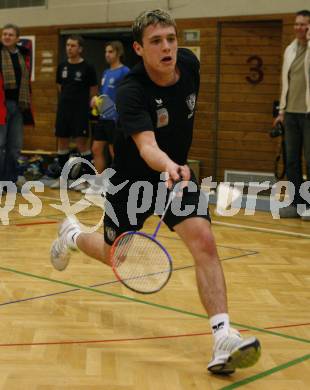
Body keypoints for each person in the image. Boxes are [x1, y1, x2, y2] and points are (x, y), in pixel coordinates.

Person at [50, 9, 261, 375]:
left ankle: (223, 334)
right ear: (138, 48)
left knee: (204, 241)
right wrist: (167, 164)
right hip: (131, 181)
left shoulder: (189, 64)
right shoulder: (132, 90)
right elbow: (146, 145)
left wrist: (173, 170)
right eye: (156, 41)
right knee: (116, 255)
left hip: (175, 177)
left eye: (171, 38)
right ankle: (71, 235)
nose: (167, 47)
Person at [274, 10, 310, 219]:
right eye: (297, 24)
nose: (299, 28)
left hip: (308, 114)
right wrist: (281, 111)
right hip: (291, 114)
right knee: (292, 161)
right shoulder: (290, 50)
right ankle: (297, 204)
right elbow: (286, 83)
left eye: (304, 24)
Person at [51, 35, 98, 189]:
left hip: (80, 111)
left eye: (72, 45)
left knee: (81, 143)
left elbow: (93, 90)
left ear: (80, 48)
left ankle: (88, 181)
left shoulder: (88, 67)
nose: (69, 48)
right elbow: (60, 87)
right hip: (64, 110)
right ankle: (63, 179)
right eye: (68, 45)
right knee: (62, 142)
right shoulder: (62, 66)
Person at [85, 41, 129, 194]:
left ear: (118, 53)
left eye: (110, 52)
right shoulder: (105, 72)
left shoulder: (124, 71)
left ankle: (118, 183)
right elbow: (104, 93)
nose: (107, 55)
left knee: (114, 151)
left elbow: (127, 94)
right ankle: (99, 183)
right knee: (96, 148)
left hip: (115, 119)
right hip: (103, 117)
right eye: (106, 52)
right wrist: (96, 100)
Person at [0, 23, 34, 188]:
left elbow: (26, 83)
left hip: (19, 105)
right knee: (0, 144)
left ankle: (9, 181)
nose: (6, 37)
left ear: (17, 38)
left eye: (10, 34)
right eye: (4, 34)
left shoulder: (23, 55)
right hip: (1, 105)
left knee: (14, 146)